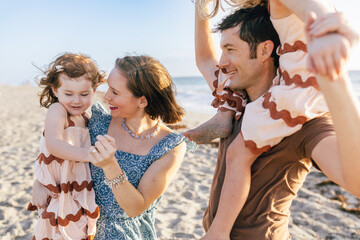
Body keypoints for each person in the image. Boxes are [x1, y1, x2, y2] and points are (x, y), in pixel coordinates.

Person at [193, 2, 360, 240]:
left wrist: (335, 76)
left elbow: (356, 181)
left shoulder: (302, 122)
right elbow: (203, 59)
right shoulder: (235, 99)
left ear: (264, 50)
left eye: (230, 49)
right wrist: (201, 6)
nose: (222, 61)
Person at [87, 55, 187, 239]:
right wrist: (40, 183)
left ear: (142, 101)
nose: (106, 96)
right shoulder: (97, 122)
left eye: (115, 92)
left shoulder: (169, 147)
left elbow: (135, 208)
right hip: (80, 227)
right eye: (108, 87)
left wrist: (110, 166)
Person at [27, 53, 106, 239]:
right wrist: (89, 154)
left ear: (94, 89)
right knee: (58, 230)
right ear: (55, 90)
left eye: (84, 94)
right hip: (58, 188)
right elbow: (54, 144)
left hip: (77, 186)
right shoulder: (58, 110)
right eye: (68, 94)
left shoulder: (86, 117)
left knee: (79, 229)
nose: (76, 101)